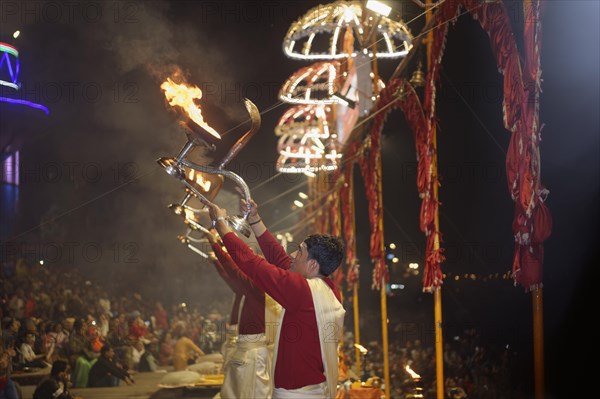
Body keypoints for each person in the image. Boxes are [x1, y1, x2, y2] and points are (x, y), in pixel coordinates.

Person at [208, 199, 345, 399]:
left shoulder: (302, 291)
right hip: (313, 389)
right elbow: (281, 259)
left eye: (299, 251)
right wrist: (255, 220)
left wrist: (221, 225)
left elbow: (251, 263)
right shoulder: (328, 290)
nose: (292, 255)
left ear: (313, 265)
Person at [207, 229, 280, 399]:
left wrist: (216, 245)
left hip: (253, 355)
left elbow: (235, 271)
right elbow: (232, 276)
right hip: (246, 350)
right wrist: (216, 257)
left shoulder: (260, 285)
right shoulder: (253, 286)